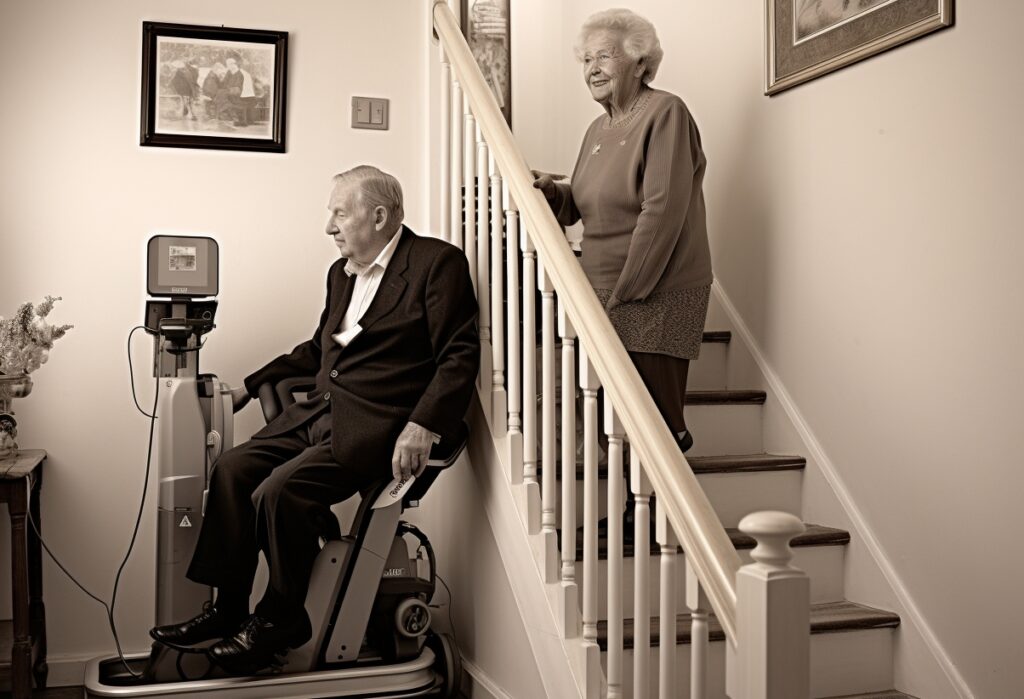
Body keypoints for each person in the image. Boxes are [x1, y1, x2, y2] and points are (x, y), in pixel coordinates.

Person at [150, 166, 479, 674]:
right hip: (321, 411)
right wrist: (251, 384)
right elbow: (321, 349)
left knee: (281, 491)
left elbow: (458, 354)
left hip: (379, 423)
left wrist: (423, 424)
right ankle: (229, 610)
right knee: (234, 471)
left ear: (379, 215)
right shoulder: (341, 276)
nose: (330, 226)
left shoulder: (436, 264)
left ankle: (280, 620)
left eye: (339, 213)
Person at [533, 9, 712, 454]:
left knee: (650, 420)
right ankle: (632, 515)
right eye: (586, 60)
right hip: (600, 289)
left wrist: (626, 293)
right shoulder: (598, 127)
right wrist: (553, 193)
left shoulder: (666, 112)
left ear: (639, 61)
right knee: (607, 416)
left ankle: (655, 511)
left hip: (659, 290)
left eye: (604, 56)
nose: (592, 68)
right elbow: (581, 205)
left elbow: (662, 210)